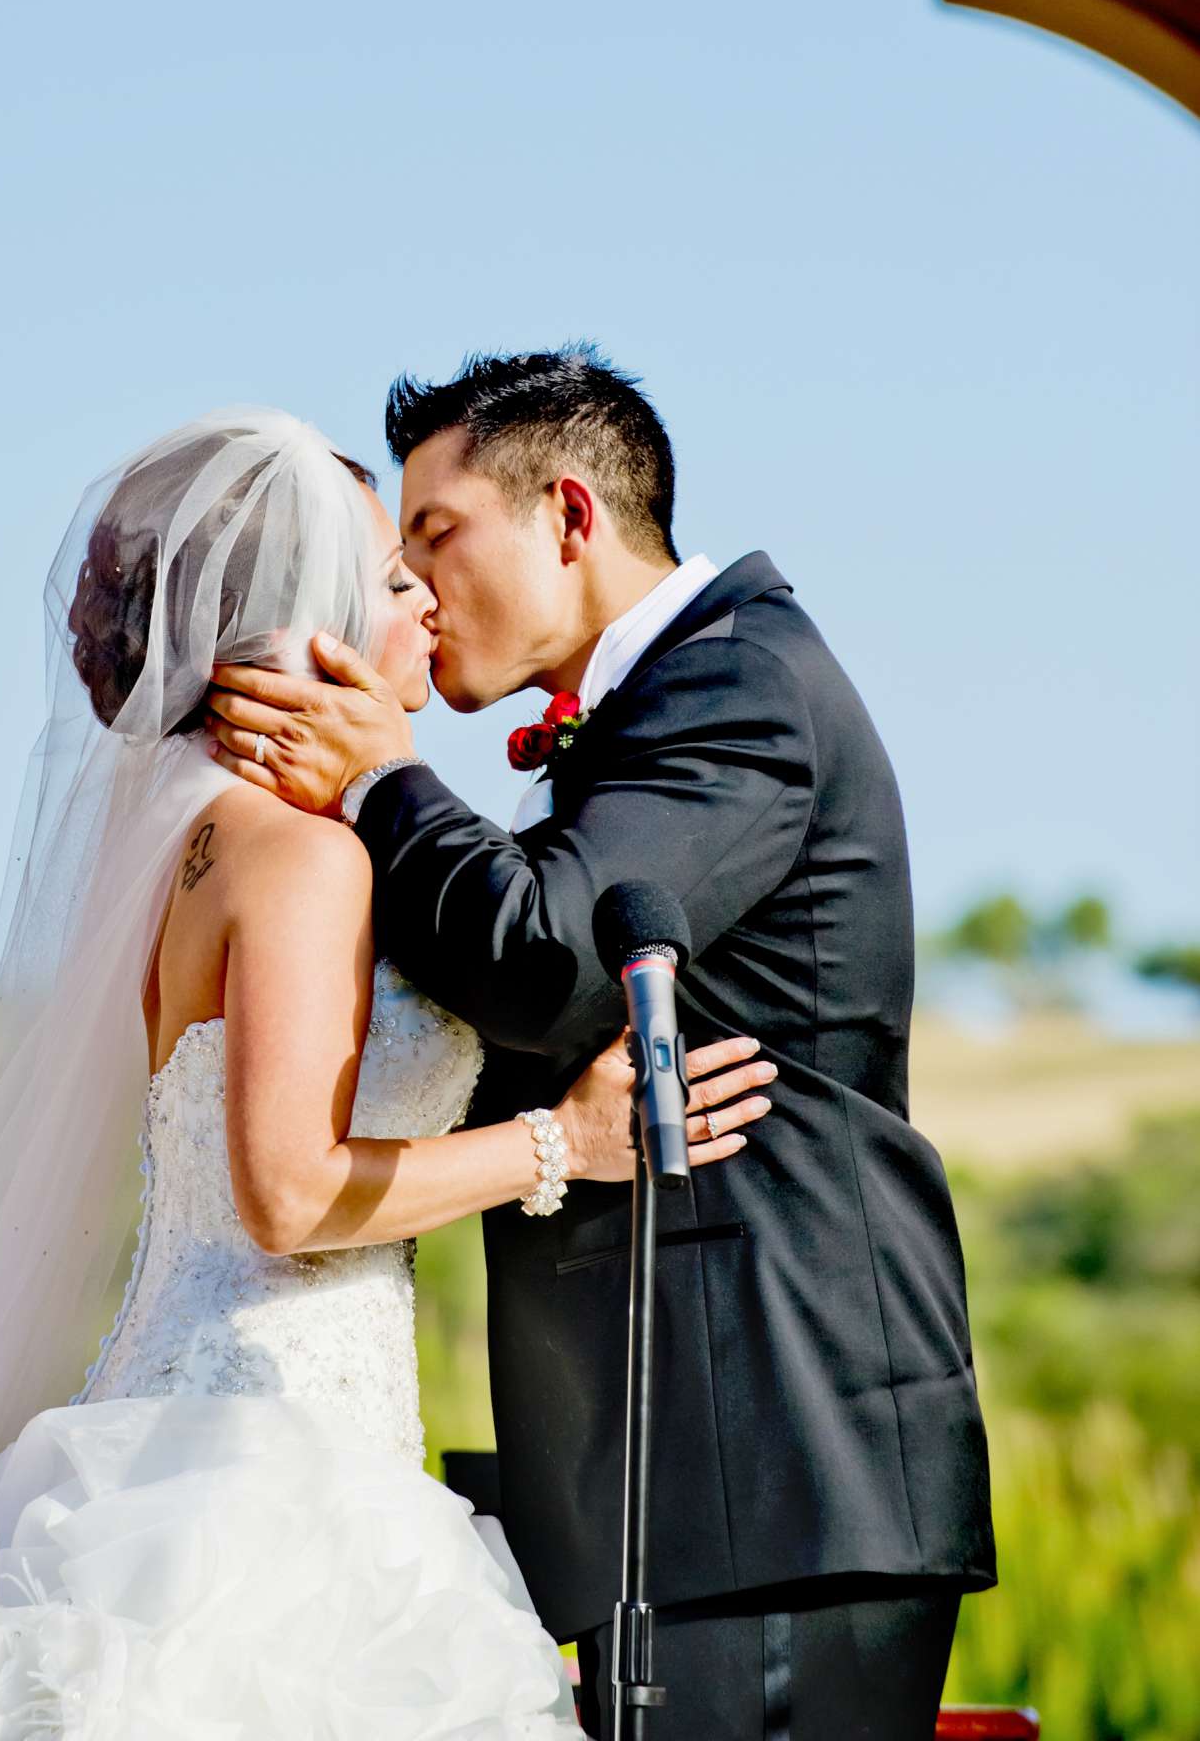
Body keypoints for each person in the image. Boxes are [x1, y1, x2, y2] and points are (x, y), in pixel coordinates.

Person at [0, 405, 774, 1738]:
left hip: (185, 1423)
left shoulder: (188, 846)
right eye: (394, 584)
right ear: (312, 622)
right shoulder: (299, 857)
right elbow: (286, 1197)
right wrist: (560, 1146)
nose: (427, 611)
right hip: (259, 1475)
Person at [207, 348, 997, 1741]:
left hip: (765, 1465)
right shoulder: (649, 717)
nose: (413, 586)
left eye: (435, 536)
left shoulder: (735, 688)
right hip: (674, 1483)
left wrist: (386, 777)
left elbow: (547, 962)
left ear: (567, 515)